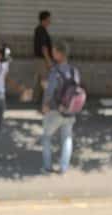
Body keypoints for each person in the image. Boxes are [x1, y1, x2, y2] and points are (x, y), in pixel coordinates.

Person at [42, 41, 79, 174]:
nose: (52, 54)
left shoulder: (55, 71)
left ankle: (47, 167)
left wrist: (45, 105)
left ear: (60, 54)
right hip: (70, 110)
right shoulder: (74, 71)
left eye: (54, 52)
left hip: (55, 110)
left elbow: (50, 91)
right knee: (67, 138)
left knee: (46, 137)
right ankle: (63, 168)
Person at [33, 10, 53, 105]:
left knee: (39, 79)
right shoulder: (41, 30)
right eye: (48, 19)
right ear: (43, 20)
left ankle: (37, 99)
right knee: (44, 79)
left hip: (40, 59)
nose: (50, 21)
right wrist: (48, 60)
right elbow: (44, 47)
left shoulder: (40, 29)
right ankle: (45, 101)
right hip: (42, 59)